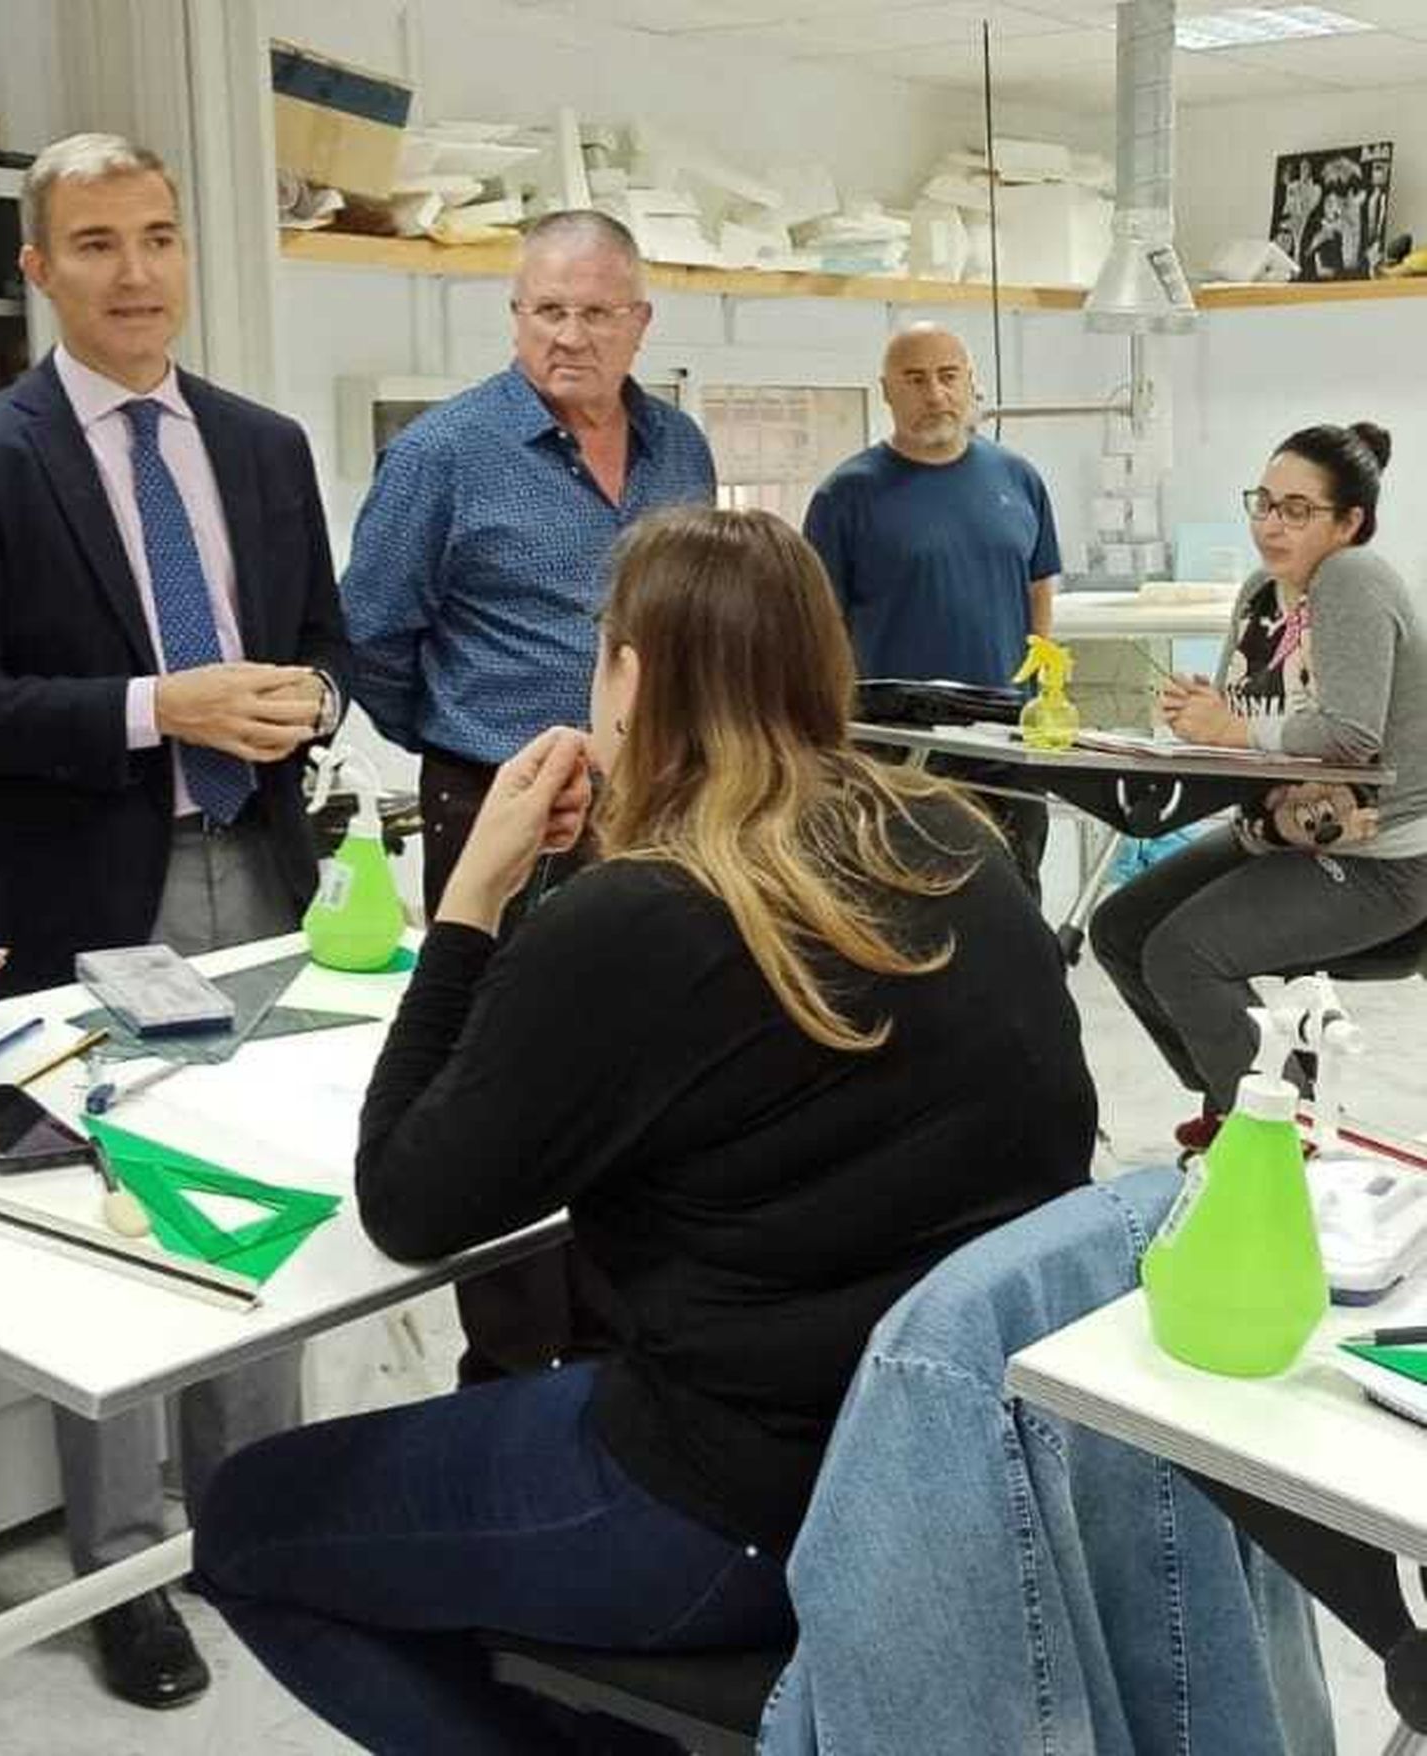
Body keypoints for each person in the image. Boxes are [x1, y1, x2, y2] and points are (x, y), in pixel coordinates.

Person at [193, 506, 1098, 1755]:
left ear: (630, 675)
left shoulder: (647, 913)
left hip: (733, 1490)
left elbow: (409, 1203)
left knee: (248, 1525)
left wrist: (472, 899)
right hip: (944, 1463)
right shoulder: (954, 841)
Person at [0, 133, 351, 1711]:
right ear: (37, 268)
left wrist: (310, 699)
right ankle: (126, 1568)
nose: (135, 271)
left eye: (158, 235)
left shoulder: (265, 445)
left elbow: (326, 646)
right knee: (115, 1230)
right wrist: (165, 706)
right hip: (91, 900)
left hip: (260, 873)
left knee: (262, 1200)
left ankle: (261, 1526)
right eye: (95, 243)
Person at [341, 208, 715, 1381]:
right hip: (501, 806)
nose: (569, 336)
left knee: (639, 1069)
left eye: (596, 312)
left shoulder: (681, 450)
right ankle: (507, 1368)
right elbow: (370, 638)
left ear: (638, 323)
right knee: (501, 1079)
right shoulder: (445, 456)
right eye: (546, 310)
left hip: (655, 805)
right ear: (514, 317)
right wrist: (471, 756)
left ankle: (617, 1349)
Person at [1091, 423, 1427, 1155]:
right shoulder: (1262, 592)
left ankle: (1282, 1145)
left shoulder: (1353, 578)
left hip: (1385, 859)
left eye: (1298, 510)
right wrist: (1196, 717)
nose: (1272, 524)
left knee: (1184, 953)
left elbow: (1349, 735)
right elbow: (1241, 722)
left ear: (1349, 523)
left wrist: (1231, 732)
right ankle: (1244, 1096)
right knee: (1121, 929)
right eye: (1265, 503)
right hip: (1280, 833)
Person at [803, 322, 1062, 897]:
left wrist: (1042, 687)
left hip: (1005, 730)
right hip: (895, 739)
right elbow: (817, 626)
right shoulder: (845, 496)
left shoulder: (1018, 479)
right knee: (905, 897)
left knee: (1015, 895)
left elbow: (1040, 581)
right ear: (887, 390)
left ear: (971, 383)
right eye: (915, 379)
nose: (935, 394)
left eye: (948, 377)